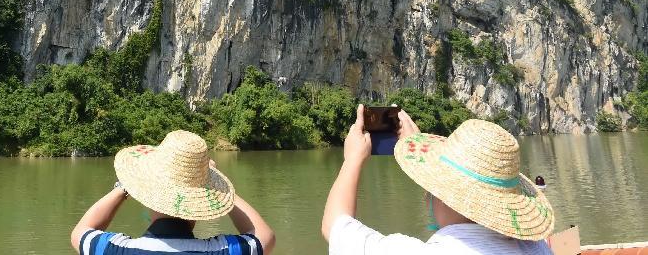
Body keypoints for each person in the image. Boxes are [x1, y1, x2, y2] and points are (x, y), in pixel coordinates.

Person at [322, 105, 555, 254]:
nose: (429, 195)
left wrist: (352, 159)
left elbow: (335, 226)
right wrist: (420, 154)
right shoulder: (536, 248)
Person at [71, 130, 275, 255]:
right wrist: (218, 185)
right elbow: (264, 237)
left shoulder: (115, 249)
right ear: (199, 205)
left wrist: (124, 187)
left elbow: (81, 231)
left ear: (147, 195)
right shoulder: (220, 251)